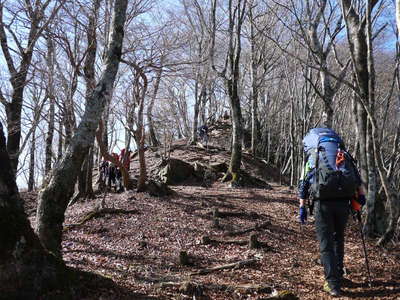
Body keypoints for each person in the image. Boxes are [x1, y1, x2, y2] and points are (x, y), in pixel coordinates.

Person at [298, 128, 366, 297]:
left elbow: (304, 184)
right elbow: (358, 181)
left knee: (326, 244)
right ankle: (339, 275)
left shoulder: (314, 156)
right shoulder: (344, 155)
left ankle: (332, 284)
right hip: (344, 203)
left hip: (323, 204)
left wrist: (302, 207)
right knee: (338, 239)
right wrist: (360, 201)